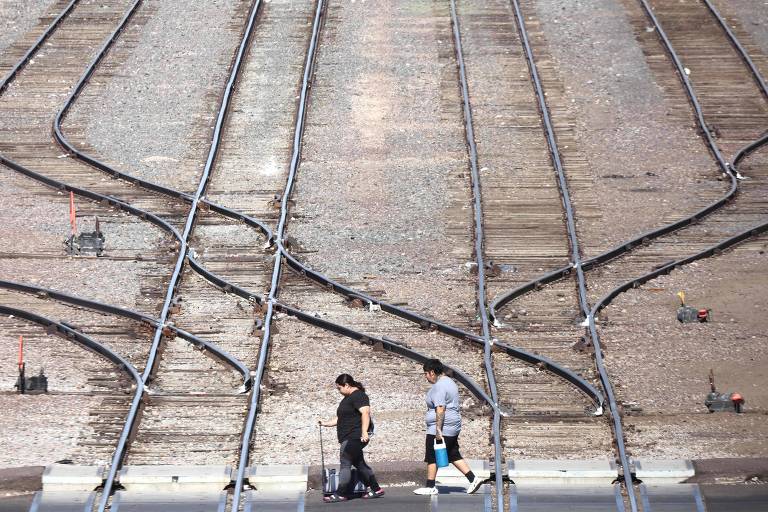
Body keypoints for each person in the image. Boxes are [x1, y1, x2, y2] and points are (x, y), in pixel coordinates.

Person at [413, 359, 483, 495]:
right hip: (453, 425)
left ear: (432, 372)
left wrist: (438, 430)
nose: (426, 377)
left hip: (441, 427)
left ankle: (430, 486)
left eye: (426, 374)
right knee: (452, 454)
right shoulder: (450, 382)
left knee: (432, 456)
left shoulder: (439, 386)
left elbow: (440, 408)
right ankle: (473, 479)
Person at [319, 374, 385, 503]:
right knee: (359, 464)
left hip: (354, 436)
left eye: (339, 388)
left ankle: (341, 493)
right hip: (349, 436)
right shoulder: (347, 398)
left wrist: (364, 432)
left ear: (347, 385)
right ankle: (376, 489)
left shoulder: (359, 396)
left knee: (345, 463)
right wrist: (326, 423)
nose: (339, 391)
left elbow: (366, 413)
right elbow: (341, 418)